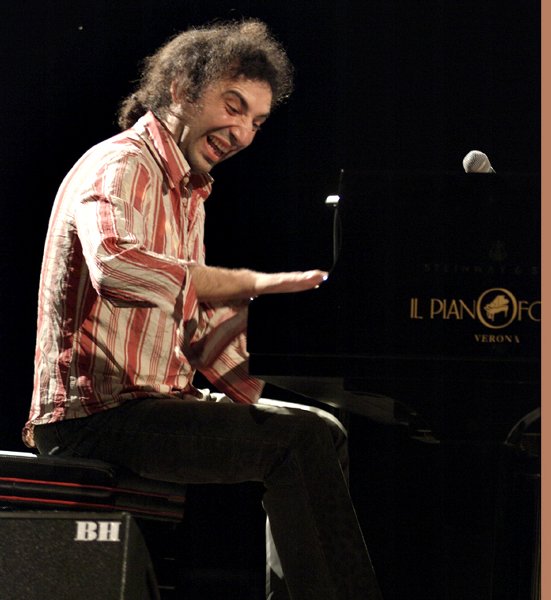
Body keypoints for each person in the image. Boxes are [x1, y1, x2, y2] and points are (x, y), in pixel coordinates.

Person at [23, 19, 383, 600]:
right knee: (299, 442)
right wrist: (248, 283)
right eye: (233, 107)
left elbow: (194, 325)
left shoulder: (187, 190)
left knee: (323, 429)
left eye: (257, 122)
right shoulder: (123, 165)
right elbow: (116, 266)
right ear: (181, 89)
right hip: (93, 420)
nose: (242, 133)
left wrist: (329, 388)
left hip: (155, 404)